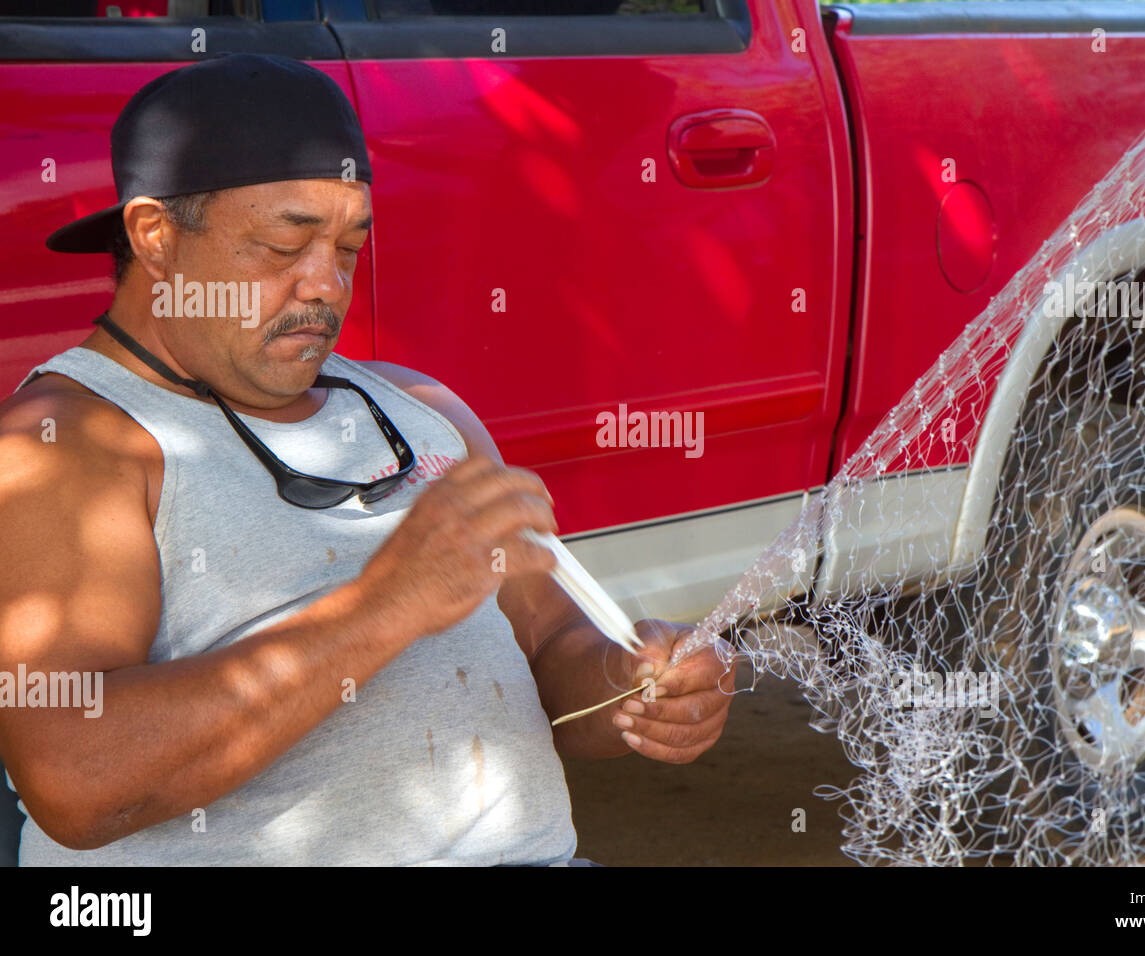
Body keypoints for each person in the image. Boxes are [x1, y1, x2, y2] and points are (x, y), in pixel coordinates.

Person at [0, 53, 733, 865]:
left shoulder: (420, 409)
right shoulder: (70, 443)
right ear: (156, 237)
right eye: (286, 245)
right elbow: (74, 779)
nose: (327, 285)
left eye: (349, 245)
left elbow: (558, 655)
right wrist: (387, 605)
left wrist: (633, 687)